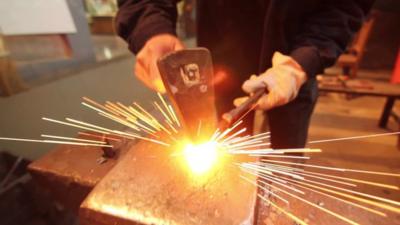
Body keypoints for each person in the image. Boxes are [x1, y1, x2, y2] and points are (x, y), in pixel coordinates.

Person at [115, 0, 374, 149]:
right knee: (228, 156)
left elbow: (347, 6)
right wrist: (150, 27)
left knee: (286, 158)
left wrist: (304, 60)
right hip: (223, 71)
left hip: (295, 60)